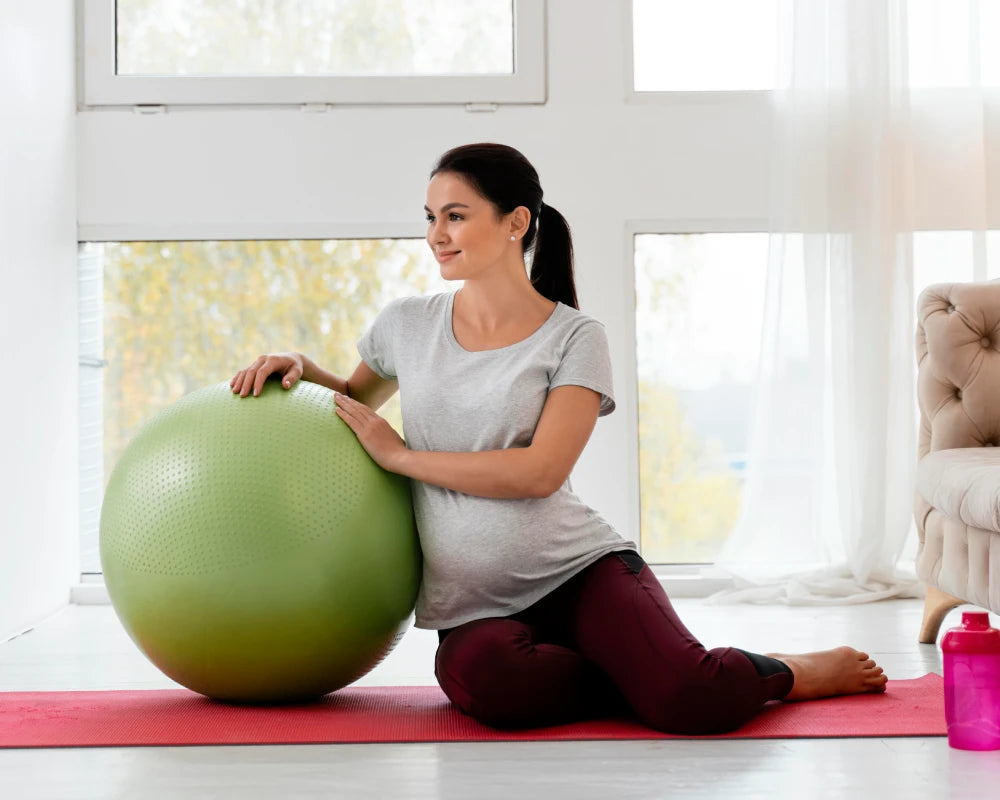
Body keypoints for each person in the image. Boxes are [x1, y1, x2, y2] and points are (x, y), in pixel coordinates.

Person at [229, 142, 888, 733]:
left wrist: (402, 457)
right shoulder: (406, 324)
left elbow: (539, 472)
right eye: (429, 218)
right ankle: (644, 673)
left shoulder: (574, 337)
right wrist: (300, 371)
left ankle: (789, 670)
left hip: (579, 570)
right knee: (490, 688)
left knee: (691, 701)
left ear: (516, 222)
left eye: (455, 215)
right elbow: (354, 401)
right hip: (474, 605)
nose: (436, 235)